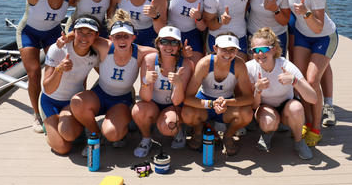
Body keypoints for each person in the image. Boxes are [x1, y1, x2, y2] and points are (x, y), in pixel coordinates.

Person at [0, 0, 79, 133]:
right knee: (34, 72)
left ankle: (60, 104)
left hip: (52, 33)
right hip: (28, 32)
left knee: (61, 67)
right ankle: (37, 115)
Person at [69, 9, 156, 149]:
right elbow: (83, 36)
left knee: (113, 134)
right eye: (117, 36)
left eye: (126, 36)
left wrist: (184, 54)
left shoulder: (140, 52)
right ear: (110, 38)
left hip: (122, 99)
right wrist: (66, 38)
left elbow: (164, 51)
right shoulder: (104, 46)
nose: (122, 40)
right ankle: (95, 135)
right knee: (77, 102)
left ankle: (124, 123)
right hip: (100, 92)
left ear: (133, 38)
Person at [280, 0, 339, 147]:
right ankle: (304, 121)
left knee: (312, 81)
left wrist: (305, 13)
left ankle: (316, 128)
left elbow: (318, 26)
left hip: (324, 37)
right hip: (303, 36)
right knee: (300, 81)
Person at [246, 28, 317, 160]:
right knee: (268, 122)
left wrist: (295, 81)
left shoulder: (286, 65)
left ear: (273, 49)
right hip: (265, 108)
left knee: (296, 108)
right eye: (255, 50)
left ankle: (298, 142)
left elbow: (313, 98)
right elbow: (254, 105)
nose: (260, 53)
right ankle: (268, 133)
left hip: (286, 108)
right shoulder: (250, 68)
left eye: (264, 49)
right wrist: (257, 89)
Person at [181, 33, 253, 156]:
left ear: (237, 50)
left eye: (232, 50)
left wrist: (227, 102)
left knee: (247, 113)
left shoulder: (239, 65)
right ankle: (198, 131)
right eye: (224, 49)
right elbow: (187, 98)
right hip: (204, 102)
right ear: (215, 49)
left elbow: (249, 98)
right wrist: (211, 104)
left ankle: (228, 135)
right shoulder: (205, 64)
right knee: (187, 112)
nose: (228, 53)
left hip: (226, 104)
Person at [40, 16, 100, 154]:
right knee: (62, 148)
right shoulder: (58, 49)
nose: (84, 38)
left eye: (90, 33)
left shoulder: (95, 55)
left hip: (73, 103)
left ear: (96, 35)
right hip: (50, 100)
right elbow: (48, 88)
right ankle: (48, 126)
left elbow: (106, 76)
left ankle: (68, 126)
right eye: (80, 32)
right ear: (74, 32)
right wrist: (59, 69)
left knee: (69, 134)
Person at [131, 26, 194, 157]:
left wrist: (178, 84)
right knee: (138, 110)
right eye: (164, 41)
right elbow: (145, 98)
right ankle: (146, 138)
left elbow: (177, 101)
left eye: (174, 42)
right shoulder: (149, 60)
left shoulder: (186, 64)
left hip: (173, 105)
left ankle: (179, 130)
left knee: (169, 126)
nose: (169, 46)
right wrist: (146, 82)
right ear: (158, 43)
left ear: (179, 46)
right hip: (152, 103)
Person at [163, 0, 208, 64]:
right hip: (170, 31)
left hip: (191, 34)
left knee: (196, 66)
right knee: (167, 63)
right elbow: (162, 8)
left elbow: (203, 27)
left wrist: (198, 18)